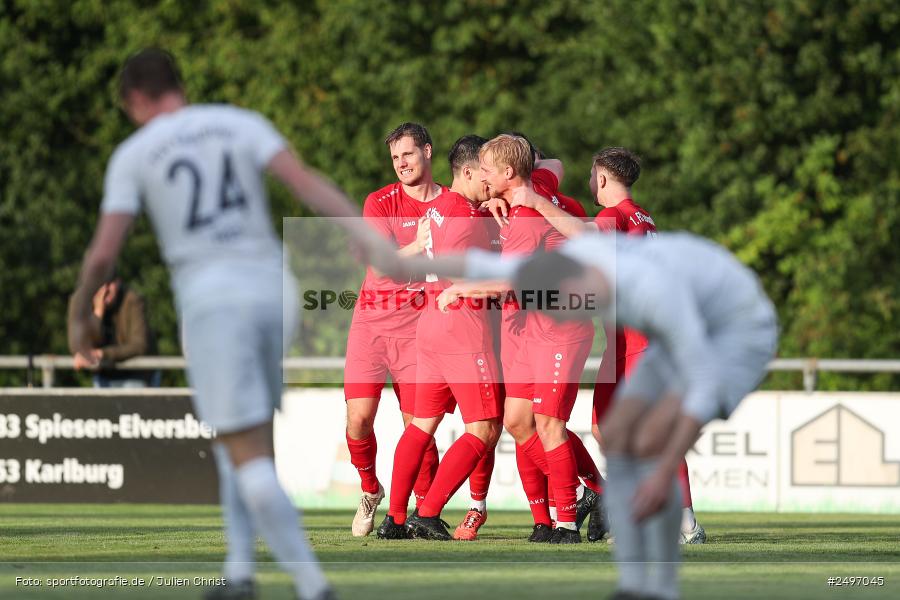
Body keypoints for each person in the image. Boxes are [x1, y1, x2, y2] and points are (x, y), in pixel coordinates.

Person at [67, 48, 376, 600]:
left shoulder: (135, 153)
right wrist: (361, 229)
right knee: (242, 443)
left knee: (246, 451)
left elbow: (102, 254)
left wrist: (77, 311)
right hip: (274, 288)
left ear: (135, 99)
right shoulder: (238, 122)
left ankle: (312, 586)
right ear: (179, 85)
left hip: (213, 300)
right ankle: (239, 573)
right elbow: (303, 181)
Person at [372, 231, 776, 599]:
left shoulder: (653, 292)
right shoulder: (580, 261)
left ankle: (671, 551)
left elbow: (699, 385)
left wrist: (664, 466)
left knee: (652, 436)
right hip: (678, 323)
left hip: (739, 332)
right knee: (613, 433)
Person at [507, 147, 703, 543]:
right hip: (626, 341)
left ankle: (685, 523)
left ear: (602, 179)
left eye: (592, 176)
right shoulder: (643, 216)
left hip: (639, 341)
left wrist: (536, 201)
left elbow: (584, 236)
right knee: (603, 428)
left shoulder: (613, 216)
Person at [468, 134, 603, 543]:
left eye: (487, 170)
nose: (481, 177)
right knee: (517, 420)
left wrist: (457, 290)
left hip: (559, 329)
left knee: (549, 423)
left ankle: (566, 522)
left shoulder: (529, 214)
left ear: (509, 173)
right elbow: (555, 163)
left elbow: (506, 281)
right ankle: (588, 493)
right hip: (531, 329)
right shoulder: (538, 184)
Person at [379, 134, 504, 541]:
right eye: (486, 172)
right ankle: (427, 512)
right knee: (482, 429)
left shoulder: (439, 210)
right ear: (468, 171)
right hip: (462, 329)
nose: (492, 180)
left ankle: (395, 518)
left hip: (430, 327)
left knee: (419, 427)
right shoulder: (464, 216)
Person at [344, 122, 449, 537]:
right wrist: (421, 245)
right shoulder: (380, 201)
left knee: (419, 428)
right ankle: (370, 490)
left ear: (427, 151)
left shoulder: (452, 203)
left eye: (407, 154)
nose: (400, 163)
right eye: (394, 158)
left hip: (418, 331)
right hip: (371, 324)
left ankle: (424, 512)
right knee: (359, 419)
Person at [71, 276, 160, 387]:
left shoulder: (133, 300)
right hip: (105, 375)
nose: (104, 290)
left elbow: (139, 345)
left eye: (108, 283)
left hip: (136, 374)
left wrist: (102, 354)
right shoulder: (82, 302)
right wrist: (98, 313)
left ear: (118, 282)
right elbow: (80, 347)